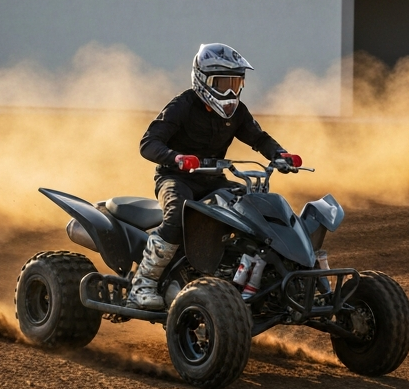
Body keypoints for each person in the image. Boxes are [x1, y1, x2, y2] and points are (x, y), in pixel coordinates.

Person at [127, 43, 302, 310]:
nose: (230, 91)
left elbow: (259, 138)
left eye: (236, 83)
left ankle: (244, 279)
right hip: (176, 179)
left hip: (214, 181)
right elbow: (148, 143)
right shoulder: (182, 105)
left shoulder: (238, 112)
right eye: (222, 83)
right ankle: (143, 284)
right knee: (177, 216)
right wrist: (176, 158)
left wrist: (280, 154)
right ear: (202, 80)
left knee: (253, 208)